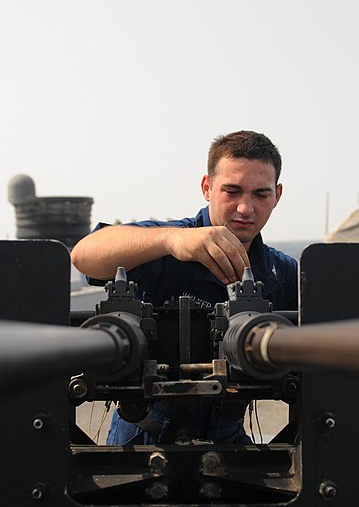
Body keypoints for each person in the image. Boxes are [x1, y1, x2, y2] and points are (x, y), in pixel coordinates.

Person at [71, 130, 297, 444]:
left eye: (260, 194)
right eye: (232, 191)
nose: (246, 208)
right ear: (207, 187)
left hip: (227, 438)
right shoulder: (167, 244)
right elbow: (84, 255)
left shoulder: (280, 272)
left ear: (278, 194)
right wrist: (171, 240)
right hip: (142, 437)